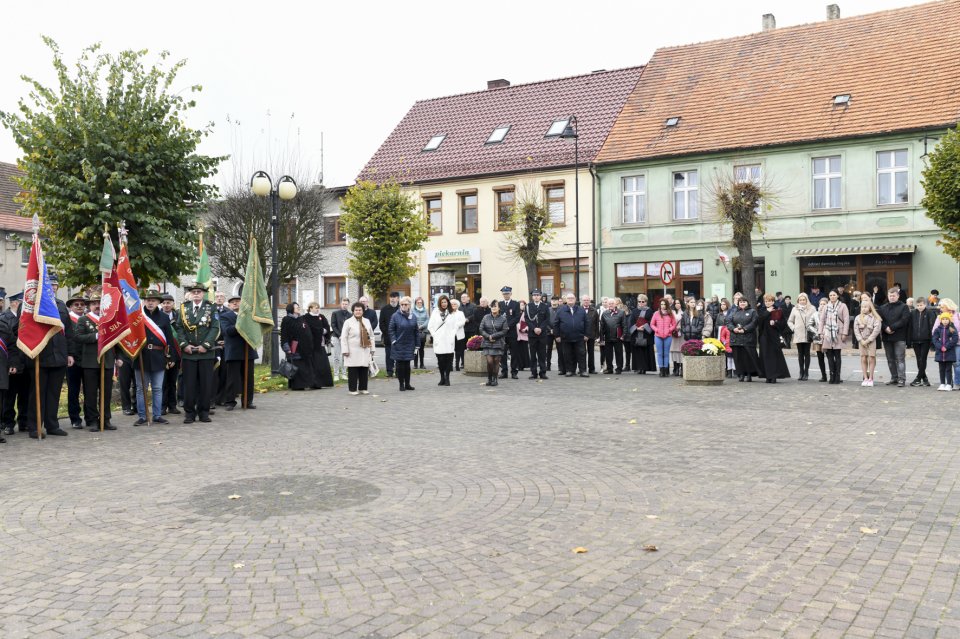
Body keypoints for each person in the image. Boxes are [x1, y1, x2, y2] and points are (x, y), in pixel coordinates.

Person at [23, 274, 74, 439]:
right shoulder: (33, 306)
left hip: (59, 356)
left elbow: (69, 333)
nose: (52, 288)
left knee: (54, 393)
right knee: (37, 394)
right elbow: (23, 330)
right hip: (40, 356)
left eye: (55, 285)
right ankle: (35, 426)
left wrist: (70, 353)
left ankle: (52, 425)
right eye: (49, 285)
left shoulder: (60, 305)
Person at [173, 283, 220, 423]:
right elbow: (179, 328)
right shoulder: (183, 308)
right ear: (191, 294)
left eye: (199, 292)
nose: (196, 294)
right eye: (194, 292)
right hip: (189, 353)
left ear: (203, 293)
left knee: (205, 384)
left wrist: (205, 345)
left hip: (205, 353)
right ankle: (189, 413)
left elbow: (214, 327)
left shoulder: (211, 307)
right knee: (189, 384)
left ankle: (204, 412)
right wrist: (184, 345)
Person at [73, 294, 117, 431]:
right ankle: (92, 420)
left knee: (106, 393)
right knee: (90, 394)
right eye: (94, 303)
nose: (97, 306)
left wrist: (119, 357)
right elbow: (78, 337)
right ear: (89, 306)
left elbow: (117, 339)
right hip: (90, 362)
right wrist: (97, 336)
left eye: (99, 303)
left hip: (108, 361)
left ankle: (106, 419)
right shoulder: (83, 320)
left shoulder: (110, 320)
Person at [133, 290, 175, 424]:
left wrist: (171, 357)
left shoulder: (163, 317)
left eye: (153, 300)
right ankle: (143, 416)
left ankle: (157, 415)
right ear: (144, 301)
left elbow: (169, 339)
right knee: (141, 389)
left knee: (157, 388)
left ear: (158, 302)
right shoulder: (138, 316)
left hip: (158, 356)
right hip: (141, 356)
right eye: (148, 300)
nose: (150, 302)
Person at [220, 294, 258, 409]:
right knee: (232, 378)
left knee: (249, 378)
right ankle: (230, 402)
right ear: (230, 305)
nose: (235, 303)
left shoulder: (249, 316)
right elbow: (228, 331)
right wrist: (241, 322)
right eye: (233, 302)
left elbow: (254, 330)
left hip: (248, 350)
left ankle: (248, 401)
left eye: (238, 301)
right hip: (233, 351)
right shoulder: (225, 316)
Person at [428, 294, 465, 386]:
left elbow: (456, 325)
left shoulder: (452, 312)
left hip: (449, 340)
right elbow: (430, 326)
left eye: (445, 302)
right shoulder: (435, 312)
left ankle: (447, 378)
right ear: (439, 303)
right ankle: (442, 378)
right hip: (439, 339)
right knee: (440, 360)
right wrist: (434, 335)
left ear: (448, 302)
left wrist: (452, 335)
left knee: (449, 360)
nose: (444, 304)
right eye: (442, 302)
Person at [340, 301, 376, 395]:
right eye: (356, 310)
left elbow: (371, 336)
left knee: (364, 369)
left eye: (360, 310)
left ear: (363, 311)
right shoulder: (348, 322)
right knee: (353, 370)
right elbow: (343, 337)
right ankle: (352, 389)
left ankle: (363, 388)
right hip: (352, 350)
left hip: (365, 349)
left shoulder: (367, 321)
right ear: (353, 311)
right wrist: (345, 350)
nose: (358, 312)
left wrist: (372, 349)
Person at [877, 288, 909, 387]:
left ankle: (901, 379)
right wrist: (885, 328)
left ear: (898, 296)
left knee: (900, 359)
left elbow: (904, 320)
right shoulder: (882, 307)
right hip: (887, 337)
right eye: (890, 296)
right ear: (888, 296)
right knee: (890, 359)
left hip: (899, 336)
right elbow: (879, 320)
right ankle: (894, 378)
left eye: (894, 295)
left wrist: (892, 327)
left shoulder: (904, 307)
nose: (892, 297)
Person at [279, 302, 314, 391]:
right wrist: (287, 348)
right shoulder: (287, 320)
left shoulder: (301, 319)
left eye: (299, 307)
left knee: (304, 366)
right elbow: (284, 335)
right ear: (291, 309)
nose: (298, 308)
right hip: (294, 346)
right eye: (296, 307)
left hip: (304, 347)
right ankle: (297, 385)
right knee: (296, 366)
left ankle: (305, 384)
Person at [756, 293, 790, 383]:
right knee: (765, 356)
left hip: (774, 336)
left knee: (774, 356)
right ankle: (767, 376)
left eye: (770, 301)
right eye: (766, 301)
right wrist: (768, 312)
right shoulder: (761, 310)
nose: (767, 303)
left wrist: (775, 323)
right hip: (764, 336)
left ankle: (774, 376)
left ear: (773, 301)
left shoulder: (778, 310)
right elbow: (759, 321)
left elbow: (783, 323)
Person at [553, 292, 589, 377]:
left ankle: (583, 371)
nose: (570, 300)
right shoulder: (560, 310)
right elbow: (556, 324)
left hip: (579, 337)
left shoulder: (581, 310)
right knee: (567, 354)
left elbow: (587, 323)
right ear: (566, 300)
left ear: (575, 299)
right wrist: (557, 335)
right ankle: (569, 370)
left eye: (572, 298)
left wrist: (586, 334)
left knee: (581, 354)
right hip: (565, 337)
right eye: (569, 298)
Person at [819, 289, 850, 384]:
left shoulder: (843, 306)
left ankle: (837, 376)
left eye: (834, 295)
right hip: (828, 334)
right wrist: (820, 332)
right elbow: (822, 320)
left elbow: (846, 320)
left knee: (837, 355)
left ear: (837, 296)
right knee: (829, 356)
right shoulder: (826, 306)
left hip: (838, 333)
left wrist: (845, 333)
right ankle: (831, 375)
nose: (832, 296)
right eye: (830, 295)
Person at [388, 296, 419, 391]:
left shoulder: (413, 316)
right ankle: (401, 384)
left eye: (405, 304)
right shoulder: (395, 316)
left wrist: (417, 345)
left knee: (407, 365)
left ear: (409, 305)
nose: (403, 306)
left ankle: (408, 384)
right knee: (400, 365)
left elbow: (416, 331)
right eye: (401, 304)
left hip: (409, 344)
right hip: (399, 344)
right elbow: (391, 329)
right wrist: (394, 340)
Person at [65, 294, 86, 428]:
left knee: (89, 390)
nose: (79, 307)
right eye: (76, 305)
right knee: (73, 390)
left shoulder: (89, 319)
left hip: (88, 359)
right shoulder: (67, 320)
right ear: (71, 307)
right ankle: (75, 418)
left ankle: (90, 416)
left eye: (81, 304)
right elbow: (66, 339)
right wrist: (68, 354)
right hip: (73, 360)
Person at [729, 297, 763, 382]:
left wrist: (744, 329)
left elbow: (754, 322)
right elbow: (728, 322)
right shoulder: (734, 312)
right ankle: (741, 374)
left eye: (744, 301)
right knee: (738, 358)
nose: (742, 303)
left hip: (748, 338)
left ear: (747, 303)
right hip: (736, 338)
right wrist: (733, 329)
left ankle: (749, 374)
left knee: (748, 358)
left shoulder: (752, 312)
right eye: (740, 302)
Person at [787, 293, 818, 381]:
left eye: (804, 299)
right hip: (798, 334)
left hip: (808, 334)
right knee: (800, 354)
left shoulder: (812, 308)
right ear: (798, 301)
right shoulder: (794, 309)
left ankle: (806, 372)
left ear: (807, 300)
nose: (802, 301)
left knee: (807, 353)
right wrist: (794, 328)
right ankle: (801, 372)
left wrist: (813, 329)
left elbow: (816, 320)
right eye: (800, 300)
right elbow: (790, 321)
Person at [853, 300, 883, 387]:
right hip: (861, 341)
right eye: (862, 307)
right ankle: (865, 378)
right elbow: (856, 330)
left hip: (871, 341)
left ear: (870, 307)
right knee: (863, 358)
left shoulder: (875, 317)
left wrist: (868, 340)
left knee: (872, 358)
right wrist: (861, 340)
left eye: (866, 307)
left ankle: (871, 378)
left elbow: (876, 330)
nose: (864, 309)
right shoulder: (858, 318)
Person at [304, 301, 334, 388]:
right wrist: (319, 330)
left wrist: (323, 331)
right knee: (313, 364)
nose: (317, 309)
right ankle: (314, 383)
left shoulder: (321, 317)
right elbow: (308, 329)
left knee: (322, 364)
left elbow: (327, 327)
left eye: (318, 308)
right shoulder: (306, 317)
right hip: (311, 345)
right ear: (310, 308)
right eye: (316, 308)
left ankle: (324, 382)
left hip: (320, 343)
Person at [160, 293, 181, 415]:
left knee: (173, 382)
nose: (166, 305)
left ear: (173, 304)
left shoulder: (178, 317)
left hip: (176, 352)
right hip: (162, 354)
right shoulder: (157, 317)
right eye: (164, 303)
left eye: (168, 303)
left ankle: (172, 406)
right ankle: (162, 406)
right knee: (162, 382)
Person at [479, 301, 509, 386]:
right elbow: (481, 329)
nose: (493, 308)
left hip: (498, 342)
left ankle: (495, 379)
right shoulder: (486, 317)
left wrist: (494, 336)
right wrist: (488, 337)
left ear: (499, 308)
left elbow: (504, 330)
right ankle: (489, 378)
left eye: (495, 306)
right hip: (487, 342)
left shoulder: (503, 318)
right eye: (492, 306)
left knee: (496, 361)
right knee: (490, 362)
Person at [908, 296, 937, 387]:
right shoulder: (913, 313)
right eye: (918, 305)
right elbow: (910, 326)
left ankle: (918, 378)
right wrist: (909, 340)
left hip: (926, 340)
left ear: (925, 304)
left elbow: (932, 327)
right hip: (915, 339)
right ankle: (924, 379)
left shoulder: (929, 313)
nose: (919, 307)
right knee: (918, 358)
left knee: (923, 358)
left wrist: (932, 340)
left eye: (921, 305)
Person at [599, 298, 629, 374]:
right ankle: (609, 369)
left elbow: (624, 325)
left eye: (612, 303)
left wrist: (623, 335)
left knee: (619, 354)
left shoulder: (621, 313)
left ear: (615, 304)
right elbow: (602, 327)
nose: (611, 305)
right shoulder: (604, 313)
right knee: (608, 354)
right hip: (608, 337)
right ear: (607, 305)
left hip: (618, 337)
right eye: (609, 304)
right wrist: (601, 338)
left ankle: (619, 369)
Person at [525, 289, 550, 380]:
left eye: (538, 295)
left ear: (540, 296)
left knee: (542, 354)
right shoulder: (528, 306)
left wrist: (541, 328)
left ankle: (543, 372)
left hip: (542, 334)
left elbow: (547, 319)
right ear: (532, 297)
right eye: (534, 295)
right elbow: (527, 319)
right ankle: (533, 372)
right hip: (532, 334)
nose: (536, 296)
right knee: (532, 354)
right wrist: (534, 328)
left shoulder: (545, 306)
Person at [498, 286, 521, 379]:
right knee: (502, 353)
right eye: (504, 294)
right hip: (502, 333)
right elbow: (498, 316)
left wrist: (508, 326)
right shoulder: (499, 304)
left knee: (514, 353)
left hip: (512, 332)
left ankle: (514, 372)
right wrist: (503, 327)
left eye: (507, 293)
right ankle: (504, 372)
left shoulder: (515, 304)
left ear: (511, 294)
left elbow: (517, 317)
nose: (506, 295)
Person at [629, 295, 656, 375]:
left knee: (645, 352)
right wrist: (637, 328)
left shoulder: (650, 311)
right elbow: (631, 322)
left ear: (646, 302)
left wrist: (644, 327)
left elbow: (652, 322)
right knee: (638, 352)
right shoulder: (634, 311)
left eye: (643, 301)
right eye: (639, 301)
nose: (641, 303)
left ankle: (644, 368)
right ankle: (638, 368)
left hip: (646, 334)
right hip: (636, 333)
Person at [650, 299, 677, 377]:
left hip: (668, 336)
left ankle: (665, 370)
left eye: (664, 304)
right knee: (659, 353)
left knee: (666, 354)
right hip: (658, 336)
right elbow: (652, 324)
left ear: (667, 305)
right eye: (661, 304)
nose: (663, 306)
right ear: (660, 305)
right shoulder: (656, 313)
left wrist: (669, 330)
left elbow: (674, 324)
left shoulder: (670, 313)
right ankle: (661, 370)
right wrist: (657, 330)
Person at [933, 312, 959, 391]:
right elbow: (935, 339)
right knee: (941, 369)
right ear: (941, 320)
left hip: (949, 353)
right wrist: (940, 347)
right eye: (943, 319)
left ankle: (948, 384)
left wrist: (946, 347)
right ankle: (942, 384)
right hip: (940, 353)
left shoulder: (952, 329)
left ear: (949, 320)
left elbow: (955, 339)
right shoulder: (937, 329)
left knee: (948, 369)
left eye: (946, 319)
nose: (945, 321)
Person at [379, 292, 401, 378]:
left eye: (394, 297)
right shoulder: (384, 309)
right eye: (391, 297)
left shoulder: (401, 308)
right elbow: (382, 323)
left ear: (398, 298)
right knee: (388, 355)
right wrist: (387, 333)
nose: (392, 299)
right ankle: (389, 371)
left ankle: (398, 371)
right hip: (388, 337)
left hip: (399, 336)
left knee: (399, 354)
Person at [329, 298, 351, 381]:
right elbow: (333, 325)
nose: (344, 305)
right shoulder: (335, 313)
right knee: (336, 356)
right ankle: (336, 374)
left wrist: (345, 336)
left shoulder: (350, 315)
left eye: (346, 304)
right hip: (336, 337)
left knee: (345, 356)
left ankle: (344, 374)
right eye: (343, 304)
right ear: (341, 304)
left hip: (346, 338)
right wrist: (340, 335)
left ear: (348, 305)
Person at [582, 295, 599, 374]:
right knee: (582, 352)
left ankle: (592, 369)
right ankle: (583, 369)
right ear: (582, 301)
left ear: (589, 301)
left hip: (591, 334)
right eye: (584, 300)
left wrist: (597, 335)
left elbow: (596, 324)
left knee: (591, 352)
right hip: (581, 335)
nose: (586, 301)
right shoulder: (578, 310)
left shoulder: (594, 310)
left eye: (587, 300)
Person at [411, 297, 429, 369]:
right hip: (414, 331)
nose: (419, 304)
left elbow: (427, 319)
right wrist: (416, 326)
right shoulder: (412, 310)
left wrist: (422, 326)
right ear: (415, 303)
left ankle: (422, 364)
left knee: (421, 349)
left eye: (420, 302)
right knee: (415, 348)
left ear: (422, 303)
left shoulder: (425, 310)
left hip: (423, 331)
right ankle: (415, 365)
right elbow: (411, 318)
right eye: (418, 302)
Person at [452, 298, 469, 371]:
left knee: (459, 351)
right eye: (452, 304)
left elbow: (463, 321)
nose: (453, 305)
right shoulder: (448, 313)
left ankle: (457, 365)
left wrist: (456, 325)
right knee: (450, 351)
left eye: (455, 304)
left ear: (458, 305)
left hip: (459, 335)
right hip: (450, 335)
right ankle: (450, 365)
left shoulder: (460, 313)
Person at [547, 295, 561, 373]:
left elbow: (561, 321)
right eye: (553, 300)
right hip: (548, 333)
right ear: (551, 301)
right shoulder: (548, 310)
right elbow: (545, 321)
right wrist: (550, 329)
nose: (554, 302)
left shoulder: (561, 310)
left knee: (560, 350)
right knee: (548, 350)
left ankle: (560, 366)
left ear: (558, 302)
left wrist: (556, 330)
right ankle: (548, 366)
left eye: (556, 300)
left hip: (558, 333)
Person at [670, 297, 684, 376]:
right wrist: (673, 328)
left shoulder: (684, 312)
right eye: (675, 303)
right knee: (674, 350)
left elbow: (686, 322)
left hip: (682, 334)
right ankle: (675, 368)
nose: (677, 305)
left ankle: (682, 368)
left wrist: (680, 328)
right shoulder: (671, 312)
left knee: (681, 351)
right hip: (674, 334)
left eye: (678, 303)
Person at [514, 299, 530, 371]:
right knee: (517, 351)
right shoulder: (516, 312)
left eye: (523, 305)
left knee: (524, 350)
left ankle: (525, 364)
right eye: (520, 305)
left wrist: (526, 327)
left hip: (523, 334)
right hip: (516, 334)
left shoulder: (526, 313)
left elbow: (528, 322)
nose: (522, 306)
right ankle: (519, 365)